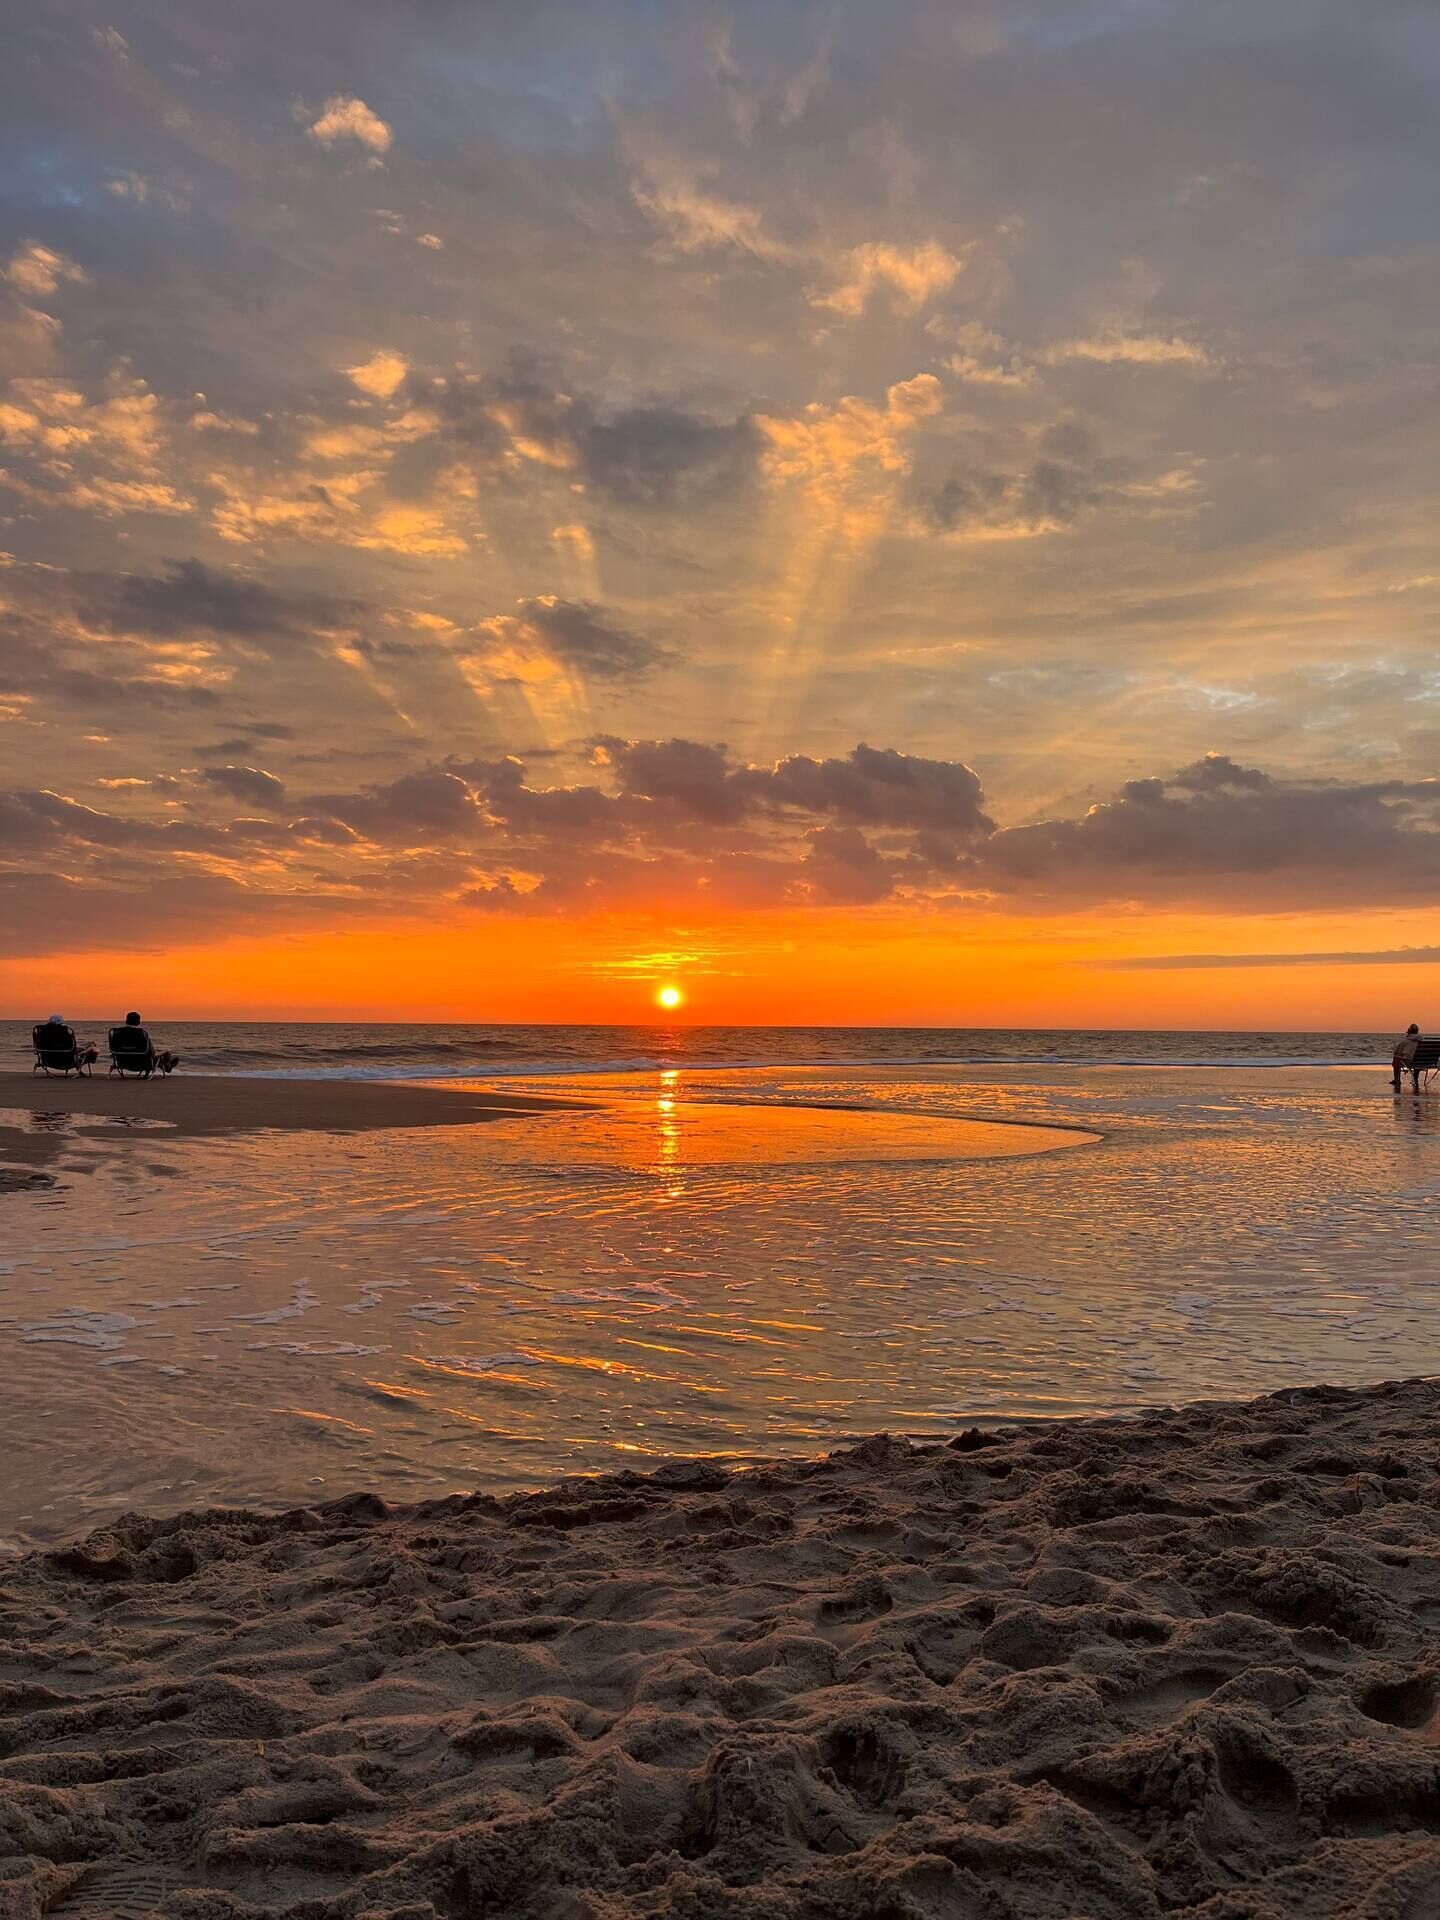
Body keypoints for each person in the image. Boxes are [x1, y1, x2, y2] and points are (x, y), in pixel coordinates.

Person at [117, 1010, 180, 1076]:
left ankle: (165, 1066)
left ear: (126, 1020)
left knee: (156, 1059)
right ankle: (167, 1066)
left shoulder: (117, 1033)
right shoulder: (142, 1033)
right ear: (138, 1022)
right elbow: (152, 1052)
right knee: (167, 1054)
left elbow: (114, 1049)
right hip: (142, 1064)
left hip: (122, 1063)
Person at [1392, 1023, 1421, 1093]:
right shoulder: (1421, 1041)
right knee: (1416, 1060)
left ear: (1409, 1032)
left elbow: (1396, 1053)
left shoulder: (1405, 1041)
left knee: (1396, 1059)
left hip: (1409, 1062)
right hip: (1420, 1062)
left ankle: (1397, 1079)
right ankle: (1415, 1079)